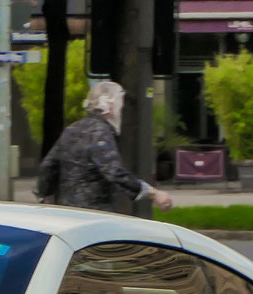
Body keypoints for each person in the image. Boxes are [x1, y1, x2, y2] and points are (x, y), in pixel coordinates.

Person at [35, 81, 176, 214]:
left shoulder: (71, 130)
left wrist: (45, 196)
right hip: (93, 213)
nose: (121, 112)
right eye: (120, 107)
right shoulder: (100, 132)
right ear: (110, 106)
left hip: (68, 212)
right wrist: (153, 193)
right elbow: (115, 172)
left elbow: (47, 166)